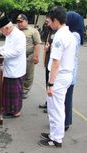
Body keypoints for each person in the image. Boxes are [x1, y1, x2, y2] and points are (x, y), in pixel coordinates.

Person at [38, 6, 76, 148]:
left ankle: (56, 139)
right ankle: (54, 134)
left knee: (55, 109)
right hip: (65, 75)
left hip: (59, 77)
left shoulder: (60, 36)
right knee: (55, 107)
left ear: (56, 20)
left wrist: (51, 84)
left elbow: (55, 62)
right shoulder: (69, 34)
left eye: (50, 20)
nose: (49, 23)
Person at [0, 16, 26, 118]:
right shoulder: (9, 35)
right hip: (9, 67)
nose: (1, 33)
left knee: (14, 92)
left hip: (15, 68)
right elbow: (6, 47)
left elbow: (17, 52)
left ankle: (15, 111)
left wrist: (0, 53)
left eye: (1, 31)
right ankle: (7, 108)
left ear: (7, 28)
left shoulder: (19, 35)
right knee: (7, 90)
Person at [64, 11, 85, 131]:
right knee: (66, 98)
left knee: (66, 99)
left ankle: (66, 122)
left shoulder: (74, 35)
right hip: (70, 71)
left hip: (69, 72)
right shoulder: (74, 34)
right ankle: (65, 121)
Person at [17, 14, 41, 99]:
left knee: (28, 74)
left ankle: (25, 90)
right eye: (18, 22)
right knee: (18, 74)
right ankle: (18, 89)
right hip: (18, 57)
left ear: (26, 21)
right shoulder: (16, 31)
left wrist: (36, 56)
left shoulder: (33, 31)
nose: (19, 23)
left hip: (29, 56)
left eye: (21, 21)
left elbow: (37, 44)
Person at [38, 17, 57, 114]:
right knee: (47, 83)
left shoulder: (56, 33)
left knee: (52, 84)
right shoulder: (49, 32)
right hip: (48, 61)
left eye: (47, 22)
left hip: (53, 63)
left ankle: (51, 104)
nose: (46, 24)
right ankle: (48, 102)